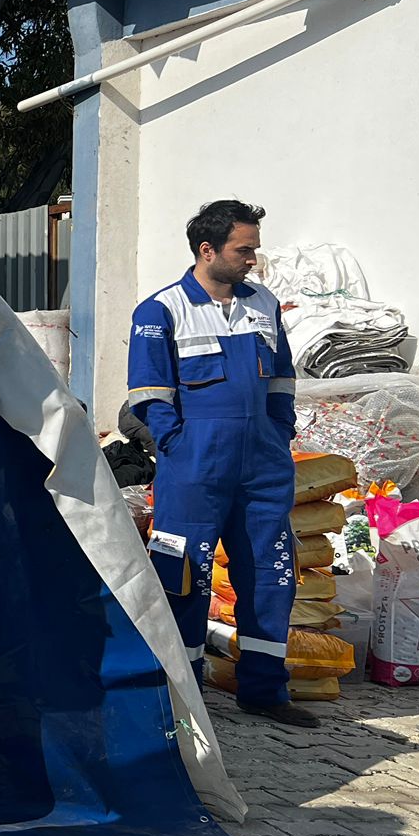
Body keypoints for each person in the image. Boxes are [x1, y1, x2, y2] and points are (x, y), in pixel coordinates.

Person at [128, 200, 311, 727]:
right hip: (194, 470)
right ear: (207, 250)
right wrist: (179, 446)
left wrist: (279, 431)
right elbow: (149, 394)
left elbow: (281, 379)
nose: (253, 258)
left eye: (253, 248)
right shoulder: (160, 311)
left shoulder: (263, 304)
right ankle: (184, 694)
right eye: (244, 249)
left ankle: (264, 690)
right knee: (183, 577)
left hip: (262, 467)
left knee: (271, 577)